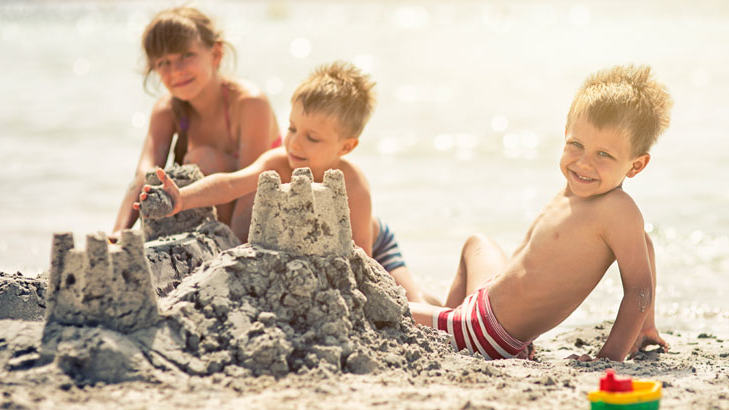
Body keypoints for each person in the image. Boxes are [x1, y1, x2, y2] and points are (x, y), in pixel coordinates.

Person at [409, 64, 673, 361]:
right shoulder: (577, 190)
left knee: (387, 308)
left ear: (636, 165)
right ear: (565, 135)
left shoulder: (617, 209)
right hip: (483, 307)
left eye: (603, 155)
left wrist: (607, 359)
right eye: (576, 145)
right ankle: (449, 327)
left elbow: (639, 289)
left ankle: (453, 332)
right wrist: (646, 325)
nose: (583, 163)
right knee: (477, 243)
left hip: (487, 332)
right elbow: (644, 244)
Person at [135, 61, 431, 303]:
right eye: (292, 128)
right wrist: (183, 198)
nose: (295, 144)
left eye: (312, 137)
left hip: (376, 244)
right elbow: (229, 185)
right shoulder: (279, 162)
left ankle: (438, 300)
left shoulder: (352, 183)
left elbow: (360, 260)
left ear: (346, 147)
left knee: (411, 303)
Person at [112, 6, 281, 242]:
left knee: (202, 159)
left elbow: (251, 188)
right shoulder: (167, 110)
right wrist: (119, 234)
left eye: (186, 56)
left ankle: (224, 242)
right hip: (209, 220)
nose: (176, 71)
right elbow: (143, 177)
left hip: (264, 214)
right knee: (162, 177)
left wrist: (238, 252)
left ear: (216, 54)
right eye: (163, 63)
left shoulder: (249, 103)